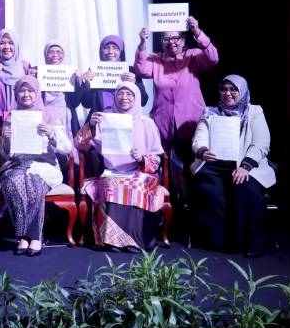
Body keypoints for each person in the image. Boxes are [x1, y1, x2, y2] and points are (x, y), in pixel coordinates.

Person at [190, 75, 276, 256]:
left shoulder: (254, 112)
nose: (228, 93)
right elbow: (199, 136)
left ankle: (252, 244)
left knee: (246, 190)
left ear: (242, 91)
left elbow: (261, 142)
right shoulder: (210, 112)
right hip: (214, 165)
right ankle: (218, 243)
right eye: (224, 89)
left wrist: (246, 166)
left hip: (246, 166)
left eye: (233, 89)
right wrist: (203, 150)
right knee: (210, 191)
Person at [78, 81, 168, 250]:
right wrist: (90, 124)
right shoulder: (106, 120)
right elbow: (80, 144)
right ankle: (113, 241)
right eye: (120, 94)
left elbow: (157, 157)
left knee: (137, 186)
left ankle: (136, 241)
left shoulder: (146, 123)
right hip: (112, 172)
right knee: (113, 185)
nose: (124, 97)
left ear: (137, 98)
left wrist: (142, 158)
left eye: (129, 94)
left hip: (141, 173)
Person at [0, 75, 72, 256]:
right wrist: (6, 140)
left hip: (44, 165)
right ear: (16, 93)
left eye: (30, 90)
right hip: (16, 164)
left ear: (37, 92)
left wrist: (52, 134)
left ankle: (33, 237)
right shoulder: (12, 116)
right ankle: (24, 235)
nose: (26, 94)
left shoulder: (50, 114)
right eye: (22, 90)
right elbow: (5, 153)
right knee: (11, 181)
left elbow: (66, 148)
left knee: (34, 183)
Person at [134, 16, 219, 167]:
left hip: (191, 123)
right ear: (162, 42)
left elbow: (213, 58)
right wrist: (142, 44)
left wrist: (198, 32)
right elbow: (140, 69)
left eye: (176, 38)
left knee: (192, 170)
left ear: (183, 41)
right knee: (167, 171)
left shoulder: (193, 55)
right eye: (166, 39)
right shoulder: (155, 58)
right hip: (163, 124)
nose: (171, 42)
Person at [0, 28, 33, 133]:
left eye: (11, 43)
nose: (7, 47)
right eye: (2, 43)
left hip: (21, 121)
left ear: (16, 45)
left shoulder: (25, 67)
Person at [80, 34, 149, 115]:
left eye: (115, 48)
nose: (110, 51)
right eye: (106, 47)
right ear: (101, 51)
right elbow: (86, 104)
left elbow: (143, 101)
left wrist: (135, 84)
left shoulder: (130, 71)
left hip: (126, 120)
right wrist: (87, 85)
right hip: (100, 120)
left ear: (121, 51)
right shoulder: (94, 71)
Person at [40, 40, 85, 137]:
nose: (55, 55)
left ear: (63, 55)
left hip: (65, 117)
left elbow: (75, 103)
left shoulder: (70, 75)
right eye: (51, 52)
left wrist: (78, 83)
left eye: (59, 52)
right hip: (44, 116)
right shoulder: (38, 73)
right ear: (45, 54)